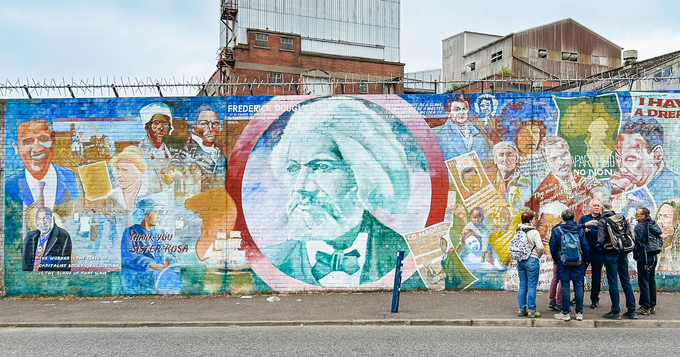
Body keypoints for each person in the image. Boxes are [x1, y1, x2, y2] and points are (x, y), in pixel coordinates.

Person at [259, 97, 420, 286]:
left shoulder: (408, 255)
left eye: (321, 166)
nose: (301, 187)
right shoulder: (270, 260)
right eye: (293, 168)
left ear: (363, 174)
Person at [610, 117, 680, 208]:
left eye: (631, 160)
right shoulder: (621, 185)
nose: (622, 169)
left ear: (657, 155)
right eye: (618, 158)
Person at [5, 119, 79, 211]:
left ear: (53, 139)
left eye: (43, 139)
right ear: (15, 146)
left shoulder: (73, 179)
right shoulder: (7, 186)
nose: (37, 149)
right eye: (28, 141)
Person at [527, 137, 605, 220]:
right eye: (554, 159)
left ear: (570, 155)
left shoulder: (588, 184)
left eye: (564, 155)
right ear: (547, 164)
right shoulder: (541, 195)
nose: (561, 162)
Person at [120, 198, 174, 294]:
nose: (158, 216)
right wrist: (149, 263)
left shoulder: (160, 232)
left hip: (161, 278)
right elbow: (128, 256)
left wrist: (167, 260)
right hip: (139, 281)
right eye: (156, 213)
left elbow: (170, 251)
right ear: (146, 215)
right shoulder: (130, 232)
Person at [597, 199, 636, 319]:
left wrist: (601, 248)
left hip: (610, 254)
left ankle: (615, 311)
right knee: (626, 281)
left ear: (602, 209)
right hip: (623, 253)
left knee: (613, 282)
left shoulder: (602, 221)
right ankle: (631, 310)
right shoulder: (620, 218)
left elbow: (601, 240)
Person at [549, 209, 589, 322]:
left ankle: (565, 313)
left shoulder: (557, 230)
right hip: (579, 262)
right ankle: (579, 313)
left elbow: (553, 247)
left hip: (563, 262)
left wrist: (557, 259)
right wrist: (585, 260)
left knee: (565, 286)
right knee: (578, 286)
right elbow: (585, 246)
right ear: (573, 218)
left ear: (562, 218)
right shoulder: (579, 230)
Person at [432, 94, 491, 160]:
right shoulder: (436, 134)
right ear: (448, 113)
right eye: (456, 109)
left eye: (465, 109)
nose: (461, 112)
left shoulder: (479, 133)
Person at [175, 108, 227, 177]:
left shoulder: (220, 156)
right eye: (204, 123)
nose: (211, 128)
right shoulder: (185, 156)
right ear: (193, 128)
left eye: (215, 123)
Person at [22, 207, 72, 271]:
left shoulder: (63, 236)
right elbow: (24, 263)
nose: (42, 222)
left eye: (46, 218)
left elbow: (65, 266)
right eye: (39, 219)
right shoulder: (30, 236)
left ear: (53, 219)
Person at [633, 207, 662, 315]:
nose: (636, 215)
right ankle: (652, 305)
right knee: (651, 281)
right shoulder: (653, 225)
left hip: (643, 257)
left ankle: (645, 307)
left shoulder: (639, 227)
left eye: (637, 214)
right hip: (653, 257)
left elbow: (638, 243)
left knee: (643, 281)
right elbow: (659, 238)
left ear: (643, 216)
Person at [516, 210, 545, 318]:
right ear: (530, 220)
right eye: (533, 219)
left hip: (520, 261)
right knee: (532, 286)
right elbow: (541, 247)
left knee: (523, 285)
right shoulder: (534, 232)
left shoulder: (518, 230)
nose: (534, 221)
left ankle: (521, 309)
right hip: (532, 260)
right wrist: (538, 255)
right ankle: (531, 310)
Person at [578, 198, 604, 309]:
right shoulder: (584, 218)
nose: (596, 207)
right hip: (584, 252)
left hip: (598, 252)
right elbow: (577, 229)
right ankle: (578, 298)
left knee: (596, 277)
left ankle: (595, 300)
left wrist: (589, 231)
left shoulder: (603, 219)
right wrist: (586, 224)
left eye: (598, 205)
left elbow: (602, 233)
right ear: (590, 207)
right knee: (579, 276)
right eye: (594, 205)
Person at [107, 146, 149, 211]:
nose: (119, 175)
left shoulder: (148, 193)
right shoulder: (112, 195)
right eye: (117, 169)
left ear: (137, 173)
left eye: (125, 170)